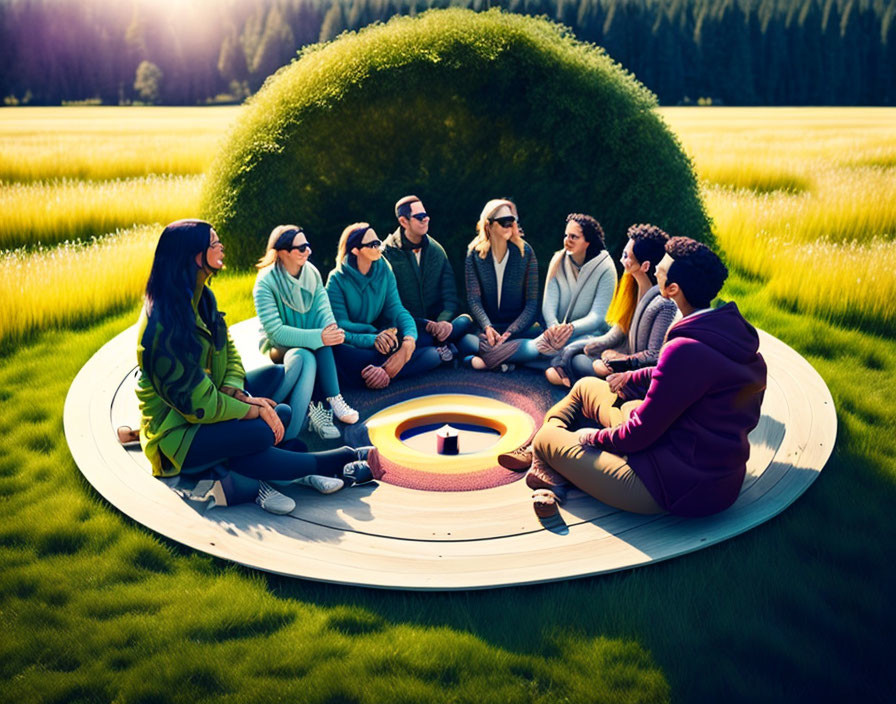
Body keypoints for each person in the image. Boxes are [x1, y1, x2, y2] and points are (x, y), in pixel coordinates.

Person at [505, 237, 767, 522]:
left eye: (662, 270)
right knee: (585, 387)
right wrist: (632, 376)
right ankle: (551, 462)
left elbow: (638, 434)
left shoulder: (684, 350)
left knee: (547, 436)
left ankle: (544, 458)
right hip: (704, 471)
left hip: (668, 487)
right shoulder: (725, 333)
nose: (655, 270)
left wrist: (592, 437)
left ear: (673, 289)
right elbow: (679, 377)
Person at [135, 220, 377, 514]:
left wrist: (237, 391)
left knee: (280, 405)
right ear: (193, 256)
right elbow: (198, 406)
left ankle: (272, 471)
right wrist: (255, 408)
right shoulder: (162, 326)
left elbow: (231, 355)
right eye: (212, 243)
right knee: (264, 429)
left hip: (212, 403)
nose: (220, 246)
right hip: (178, 434)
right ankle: (336, 461)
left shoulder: (204, 299)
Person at [254, 225, 359, 442]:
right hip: (279, 347)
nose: (308, 251)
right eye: (301, 248)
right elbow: (275, 332)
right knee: (311, 350)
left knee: (315, 351)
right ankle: (328, 402)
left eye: (307, 246)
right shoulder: (265, 282)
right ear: (282, 252)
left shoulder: (311, 272)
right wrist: (319, 337)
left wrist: (330, 331)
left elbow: (323, 309)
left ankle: (326, 404)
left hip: (312, 342)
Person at [546, 223, 678, 386]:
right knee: (580, 352)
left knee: (587, 363)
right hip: (617, 359)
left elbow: (654, 355)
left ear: (645, 266)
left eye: (626, 256)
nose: (622, 260)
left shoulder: (664, 304)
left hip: (635, 370)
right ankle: (566, 366)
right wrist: (578, 349)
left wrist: (618, 359)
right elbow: (615, 334)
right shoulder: (633, 292)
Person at [325, 222, 442, 389]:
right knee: (341, 354)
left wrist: (409, 342)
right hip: (357, 343)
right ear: (355, 250)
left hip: (384, 339)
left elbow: (397, 309)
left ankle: (381, 372)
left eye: (378, 242)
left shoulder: (384, 269)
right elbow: (340, 327)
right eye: (372, 244)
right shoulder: (336, 280)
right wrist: (374, 338)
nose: (379, 247)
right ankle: (390, 370)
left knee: (417, 334)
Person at [509, 213, 616, 368]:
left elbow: (597, 317)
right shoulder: (558, 260)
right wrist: (553, 327)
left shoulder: (606, 268)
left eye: (574, 237)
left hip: (588, 335)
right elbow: (549, 303)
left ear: (588, 241)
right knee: (537, 346)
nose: (567, 240)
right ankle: (495, 358)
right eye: (566, 235)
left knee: (572, 355)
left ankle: (513, 361)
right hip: (555, 332)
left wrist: (570, 329)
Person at [381, 195, 473, 361]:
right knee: (416, 340)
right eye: (419, 217)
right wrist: (419, 324)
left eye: (426, 215)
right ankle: (442, 349)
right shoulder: (386, 254)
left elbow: (450, 296)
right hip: (407, 328)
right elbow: (387, 304)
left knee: (465, 321)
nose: (426, 220)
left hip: (437, 325)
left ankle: (440, 346)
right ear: (403, 221)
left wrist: (443, 322)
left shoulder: (437, 251)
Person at [460, 199, 540, 371]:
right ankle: (504, 361)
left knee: (534, 348)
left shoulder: (526, 253)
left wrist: (511, 332)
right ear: (488, 225)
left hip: (517, 331)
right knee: (466, 340)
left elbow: (532, 303)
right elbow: (474, 300)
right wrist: (487, 327)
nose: (510, 226)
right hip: (486, 332)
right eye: (504, 222)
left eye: (512, 221)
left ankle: (477, 361)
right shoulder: (474, 254)